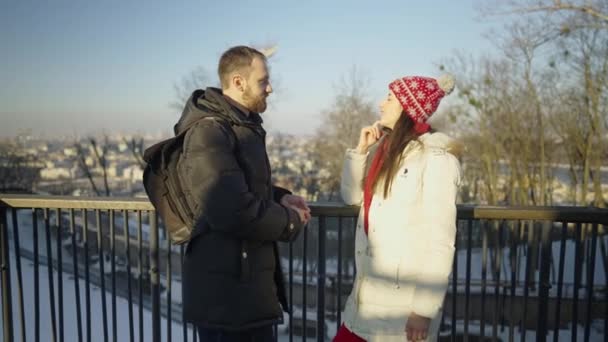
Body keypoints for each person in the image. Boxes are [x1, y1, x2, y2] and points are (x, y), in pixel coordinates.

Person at [178, 45, 311, 341]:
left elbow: (238, 187)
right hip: (228, 298)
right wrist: (291, 221)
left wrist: (279, 198)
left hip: (242, 292)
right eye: (263, 81)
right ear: (238, 82)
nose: (270, 88)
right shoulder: (210, 131)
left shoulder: (238, 126)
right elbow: (231, 209)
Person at [335, 74, 463, 342]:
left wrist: (423, 310)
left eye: (390, 98)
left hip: (402, 311)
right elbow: (352, 198)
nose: (381, 104)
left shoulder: (436, 160)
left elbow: (440, 240)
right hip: (365, 299)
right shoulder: (389, 151)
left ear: (408, 107)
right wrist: (360, 152)